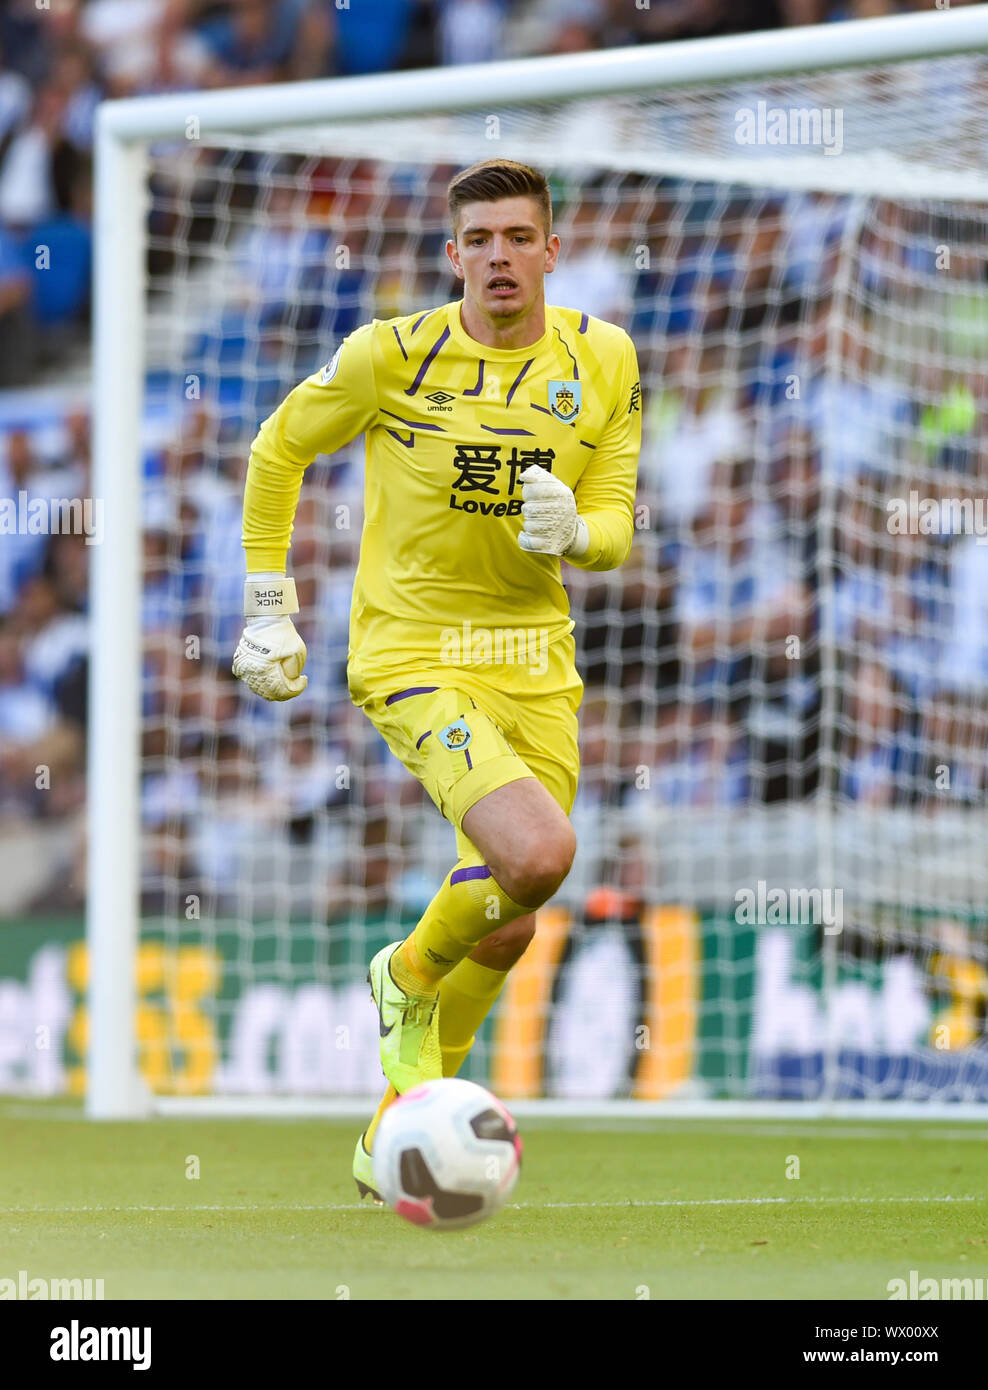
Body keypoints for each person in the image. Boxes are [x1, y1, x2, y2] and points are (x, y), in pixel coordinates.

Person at [232, 158, 641, 1200]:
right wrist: (267, 603)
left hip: (533, 657)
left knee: (509, 914)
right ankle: (404, 976)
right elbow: (278, 450)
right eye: (480, 240)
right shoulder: (390, 355)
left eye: (519, 237)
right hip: (411, 647)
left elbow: (618, 522)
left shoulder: (604, 360)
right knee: (541, 852)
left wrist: (578, 533)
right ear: (449, 254)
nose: (499, 257)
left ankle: (395, 1135)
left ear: (553, 250)